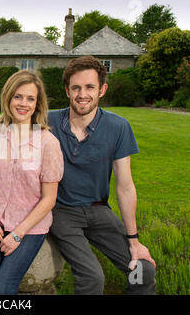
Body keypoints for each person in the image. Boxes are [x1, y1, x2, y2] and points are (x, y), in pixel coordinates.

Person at [48, 56, 157, 295]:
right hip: (61, 211)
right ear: (67, 91)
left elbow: (125, 187)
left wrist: (134, 240)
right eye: (76, 87)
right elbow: (12, 126)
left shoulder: (118, 127)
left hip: (98, 211)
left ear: (102, 90)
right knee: (92, 277)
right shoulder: (48, 121)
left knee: (143, 270)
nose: (82, 94)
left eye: (89, 87)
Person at [0, 70, 64, 295]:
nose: (23, 103)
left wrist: (17, 234)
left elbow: (49, 199)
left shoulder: (48, 143)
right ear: (8, 98)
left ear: (38, 104)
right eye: (17, 96)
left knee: (4, 290)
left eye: (30, 98)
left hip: (30, 227)